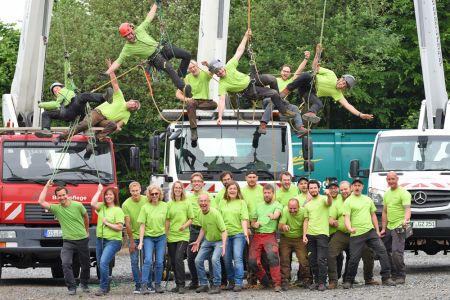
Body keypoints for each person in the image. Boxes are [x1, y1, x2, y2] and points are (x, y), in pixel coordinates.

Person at [208, 29, 296, 126]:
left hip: (251, 79)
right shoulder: (223, 84)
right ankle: (283, 110)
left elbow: (239, 51)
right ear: (216, 74)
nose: (220, 71)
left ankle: (279, 101)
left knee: (272, 79)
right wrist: (220, 117)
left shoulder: (229, 66)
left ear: (222, 66)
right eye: (217, 72)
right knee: (274, 93)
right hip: (248, 91)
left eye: (220, 69)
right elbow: (221, 101)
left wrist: (245, 36)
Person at [104, 3, 192, 98]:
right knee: (169, 69)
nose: (129, 37)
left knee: (187, 55)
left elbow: (150, 16)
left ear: (132, 29)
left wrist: (156, 3)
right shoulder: (127, 48)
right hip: (155, 58)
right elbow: (118, 61)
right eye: (126, 36)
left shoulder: (140, 29)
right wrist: (107, 72)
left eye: (130, 33)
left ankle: (181, 75)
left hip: (162, 48)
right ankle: (183, 88)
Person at [55, 59, 140, 152]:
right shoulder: (120, 97)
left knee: (113, 125)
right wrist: (110, 68)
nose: (132, 106)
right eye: (133, 103)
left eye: (134, 107)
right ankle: (62, 137)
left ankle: (95, 139)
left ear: (133, 110)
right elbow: (115, 82)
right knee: (84, 125)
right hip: (97, 114)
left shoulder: (127, 115)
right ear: (131, 100)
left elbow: (118, 125)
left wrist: (118, 128)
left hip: (104, 121)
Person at [280, 44, 373, 124]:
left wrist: (360, 114)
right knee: (307, 75)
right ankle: (285, 91)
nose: (342, 85)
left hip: (308, 93)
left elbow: (348, 105)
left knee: (319, 104)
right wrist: (317, 54)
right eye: (343, 82)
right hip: (308, 82)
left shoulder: (337, 93)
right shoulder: (331, 74)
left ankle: (311, 114)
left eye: (345, 86)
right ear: (341, 78)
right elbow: (314, 67)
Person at [36, 53, 113, 138]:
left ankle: (103, 97)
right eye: (54, 91)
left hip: (76, 105)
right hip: (67, 112)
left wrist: (66, 60)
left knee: (83, 96)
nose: (56, 91)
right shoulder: (58, 100)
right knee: (46, 114)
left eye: (57, 88)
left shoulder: (68, 89)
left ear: (62, 87)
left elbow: (67, 75)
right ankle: (46, 130)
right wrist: (40, 104)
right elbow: (54, 104)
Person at [38, 180, 90, 295]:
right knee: (65, 263)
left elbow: (86, 217)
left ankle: (84, 284)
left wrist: (86, 231)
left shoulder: (78, 205)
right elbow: (41, 201)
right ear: (56, 197)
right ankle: (72, 287)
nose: (61, 197)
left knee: (85, 264)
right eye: (59, 196)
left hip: (82, 239)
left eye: (63, 195)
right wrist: (46, 186)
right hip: (68, 242)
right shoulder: (57, 208)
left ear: (67, 195)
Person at [342, 178, 396, 288]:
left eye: (359, 185)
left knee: (382, 252)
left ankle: (386, 278)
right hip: (356, 234)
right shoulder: (348, 201)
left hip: (370, 232)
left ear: (362, 187)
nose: (357, 187)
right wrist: (350, 228)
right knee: (354, 259)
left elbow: (373, 215)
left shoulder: (367, 199)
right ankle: (349, 280)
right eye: (355, 185)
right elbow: (346, 217)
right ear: (352, 187)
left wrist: (377, 230)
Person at [327, 181, 377, 289]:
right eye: (342, 190)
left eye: (346, 189)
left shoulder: (362, 199)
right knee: (331, 252)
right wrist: (332, 221)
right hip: (342, 233)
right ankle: (333, 281)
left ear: (351, 188)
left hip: (359, 233)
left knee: (368, 253)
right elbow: (330, 217)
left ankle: (368, 279)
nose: (344, 191)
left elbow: (371, 214)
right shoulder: (337, 202)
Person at [259, 51, 311, 137]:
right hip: (269, 101)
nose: (285, 73)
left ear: (290, 73)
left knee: (294, 108)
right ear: (281, 71)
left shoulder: (290, 82)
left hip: (282, 104)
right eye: (284, 71)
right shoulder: (273, 80)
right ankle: (263, 125)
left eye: (287, 72)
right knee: (274, 101)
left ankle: (300, 128)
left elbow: (299, 70)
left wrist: (306, 59)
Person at [91, 184, 124, 296]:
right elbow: (92, 203)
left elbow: (120, 227)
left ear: (114, 196)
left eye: (110, 194)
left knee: (104, 262)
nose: (108, 196)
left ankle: (103, 288)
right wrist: (99, 191)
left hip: (113, 241)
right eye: (106, 195)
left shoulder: (118, 210)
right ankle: (106, 284)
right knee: (101, 264)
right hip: (100, 239)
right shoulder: (102, 207)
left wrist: (107, 223)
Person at [249, 184, 283, 292]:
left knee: (272, 256)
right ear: (263, 193)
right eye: (265, 193)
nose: (267, 195)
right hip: (257, 235)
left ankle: (277, 283)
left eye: (269, 193)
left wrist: (273, 216)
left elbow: (277, 214)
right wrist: (255, 225)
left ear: (273, 193)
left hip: (270, 235)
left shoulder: (277, 205)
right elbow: (252, 221)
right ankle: (265, 282)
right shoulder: (258, 206)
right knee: (252, 262)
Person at [191, 194, 228, 294]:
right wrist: (198, 241)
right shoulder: (199, 213)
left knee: (215, 259)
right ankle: (204, 284)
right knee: (198, 260)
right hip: (208, 240)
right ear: (198, 203)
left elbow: (224, 231)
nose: (203, 203)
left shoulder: (215, 213)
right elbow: (204, 228)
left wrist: (224, 246)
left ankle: (217, 285)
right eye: (201, 201)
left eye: (205, 201)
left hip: (219, 240)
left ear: (209, 202)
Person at [381, 171, 411, 284]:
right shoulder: (387, 194)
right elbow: (384, 212)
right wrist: (383, 228)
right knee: (385, 251)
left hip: (400, 225)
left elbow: (407, 209)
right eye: (389, 179)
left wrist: (405, 220)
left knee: (396, 252)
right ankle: (393, 274)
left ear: (397, 179)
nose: (391, 181)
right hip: (389, 226)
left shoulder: (404, 193)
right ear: (387, 180)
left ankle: (401, 275)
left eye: (393, 179)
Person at [219, 180, 250, 292]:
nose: (232, 190)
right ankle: (231, 281)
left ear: (238, 191)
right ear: (227, 190)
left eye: (234, 189)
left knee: (237, 258)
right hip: (225, 235)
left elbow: (244, 219)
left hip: (238, 234)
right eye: (230, 189)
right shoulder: (222, 202)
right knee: (226, 259)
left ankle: (238, 282)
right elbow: (219, 219)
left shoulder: (242, 203)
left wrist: (245, 233)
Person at [137, 185, 168, 294]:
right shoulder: (145, 207)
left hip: (161, 237)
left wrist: (166, 235)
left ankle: (158, 284)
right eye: (152, 194)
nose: (154, 195)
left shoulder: (165, 206)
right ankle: (144, 285)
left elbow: (167, 221)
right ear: (149, 195)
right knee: (148, 260)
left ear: (160, 194)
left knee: (160, 261)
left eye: (156, 193)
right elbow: (142, 225)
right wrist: (140, 242)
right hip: (148, 237)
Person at [186, 172, 214, 290]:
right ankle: (195, 281)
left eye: (198, 181)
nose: (196, 183)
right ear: (191, 184)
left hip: (207, 229)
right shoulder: (188, 198)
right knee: (191, 257)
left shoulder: (209, 196)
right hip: (193, 229)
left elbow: (214, 213)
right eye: (194, 182)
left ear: (203, 183)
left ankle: (212, 281)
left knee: (211, 257)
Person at [303, 180, 332, 291]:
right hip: (310, 235)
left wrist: (329, 194)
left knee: (321, 259)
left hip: (322, 234)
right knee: (313, 260)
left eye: (315, 187)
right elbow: (306, 220)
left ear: (318, 188)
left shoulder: (324, 199)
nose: (313, 190)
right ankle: (316, 281)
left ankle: (322, 282)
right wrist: (304, 235)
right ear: (309, 190)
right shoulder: (307, 204)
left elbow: (329, 203)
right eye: (311, 188)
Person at [175, 61, 216, 141]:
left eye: (194, 67)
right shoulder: (187, 78)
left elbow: (213, 71)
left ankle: (192, 107)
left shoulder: (204, 74)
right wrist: (186, 99)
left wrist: (207, 65)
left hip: (204, 102)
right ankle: (193, 129)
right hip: (193, 101)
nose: (193, 69)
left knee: (215, 105)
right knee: (190, 103)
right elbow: (177, 94)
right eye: (190, 68)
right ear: (188, 70)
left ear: (197, 66)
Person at [166, 181, 194, 294]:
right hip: (171, 236)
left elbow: (191, 218)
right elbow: (167, 220)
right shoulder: (169, 204)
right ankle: (177, 284)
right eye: (175, 188)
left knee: (178, 258)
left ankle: (182, 285)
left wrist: (184, 226)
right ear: (173, 190)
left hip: (183, 235)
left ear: (182, 189)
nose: (177, 189)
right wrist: (166, 235)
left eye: (179, 188)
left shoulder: (187, 203)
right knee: (173, 260)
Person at [278, 198, 312, 290]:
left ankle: (306, 279)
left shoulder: (304, 211)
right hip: (286, 238)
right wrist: (283, 226)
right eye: (290, 208)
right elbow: (280, 226)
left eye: (295, 208)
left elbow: (306, 222)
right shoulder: (285, 210)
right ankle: (284, 280)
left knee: (303, 260)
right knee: (284, 259)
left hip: (299, 238)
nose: (292, 210)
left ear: (299, 207)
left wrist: (304, 235)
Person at [121, 181, 147, 294]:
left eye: (137, 190)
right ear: (130, 191)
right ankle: (137, 284)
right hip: (134, 235)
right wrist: (131, 242)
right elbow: (128, 224)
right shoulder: (126, 204)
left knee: (148, 261)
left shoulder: (146, 200)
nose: (135, 193)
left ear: (140, 189)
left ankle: (147, 283)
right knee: (134, 261)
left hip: (147, 235)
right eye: (133, 191)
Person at [240, 170, 264, 286]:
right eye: (249, 177)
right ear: (246, 178)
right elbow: (242, 210)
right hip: (249, 227)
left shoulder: (262, 189)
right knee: (250, 255)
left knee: (263, 254)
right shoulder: (242, 191)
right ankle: (251, 280)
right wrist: (247, 227)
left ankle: (264, 279)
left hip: (262, 226)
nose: (252, 179)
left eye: (254, 177)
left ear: (257, 178)